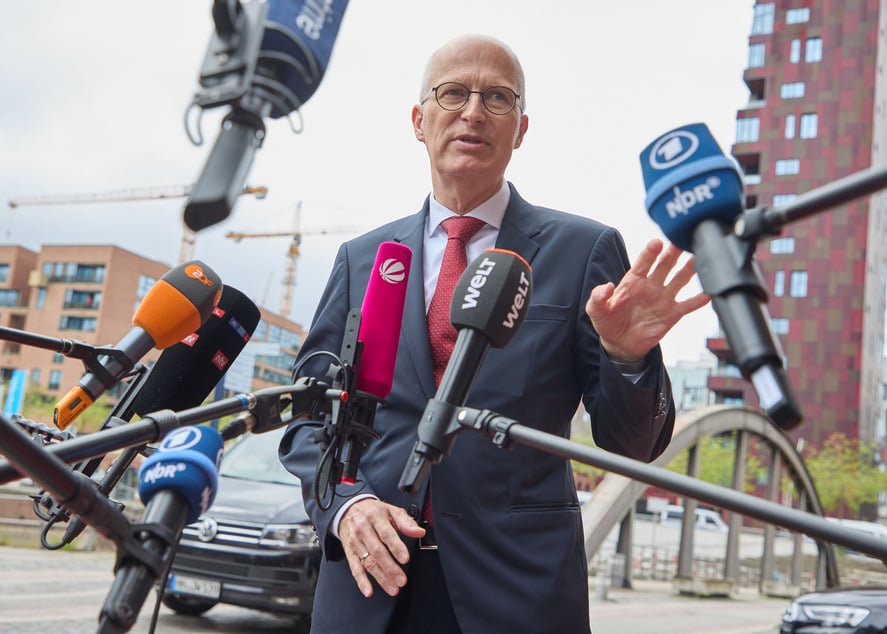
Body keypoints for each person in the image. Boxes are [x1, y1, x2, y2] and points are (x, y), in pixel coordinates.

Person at [279, 33, 710, 634]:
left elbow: (632, 445)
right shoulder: (365, 259)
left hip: (518, 593)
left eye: (498, 98)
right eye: (453, 92)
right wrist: (344, 505)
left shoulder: (583, 251)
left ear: (522, 129)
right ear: (418, 120)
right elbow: (307, 420)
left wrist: (627, 356)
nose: (474, 111)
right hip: (368, 589)